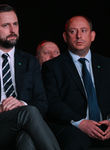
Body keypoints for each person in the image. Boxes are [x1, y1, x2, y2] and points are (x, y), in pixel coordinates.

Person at [0, 4, 60, 150]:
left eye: (15, 24)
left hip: (23, 123)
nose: (12, 30)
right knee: (28, 113)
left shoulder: (30, 62)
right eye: (6, 25)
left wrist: (21, 104)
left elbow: (42, 103)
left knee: (25, 138)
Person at [42, 15, 110, 150]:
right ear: (65, 37)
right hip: (71, 125)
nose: (79, 36)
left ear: (92, 36)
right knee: (77, 142)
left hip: (105, 124)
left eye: (84, 30)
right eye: (73, 31)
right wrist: (80, 123)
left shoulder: (107, 64)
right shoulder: (52, 66)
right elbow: (52, 102)